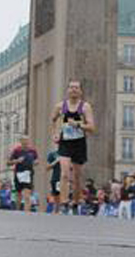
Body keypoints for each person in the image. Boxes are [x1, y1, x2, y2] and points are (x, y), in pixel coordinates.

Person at [50, 79, 96, 214]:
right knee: (64, 174)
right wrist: (55, 134)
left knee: (77, 176)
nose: (73, 90)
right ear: (67, 90)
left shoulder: (85, 107)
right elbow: (52, 120)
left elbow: (92, 127)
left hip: (79, 143)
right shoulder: (60, 106)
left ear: (80, 91)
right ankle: (64, 203)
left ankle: (75, 203)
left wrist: (78, 125)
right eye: (71, 87)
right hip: (65, 142)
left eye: (76, 88)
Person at [7, 135, 38, 213]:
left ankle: (27, 212)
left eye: (27, 140)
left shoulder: (32, 151)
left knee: (27, 194)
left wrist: (35, 162)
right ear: (20, 142)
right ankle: (18, 211)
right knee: (18, 193)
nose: (25, 142)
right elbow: (8, 162)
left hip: (28, 174)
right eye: (23, 140)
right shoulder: (17, 150)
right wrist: (17, 161)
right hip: (18, 174)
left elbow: (37, 160)